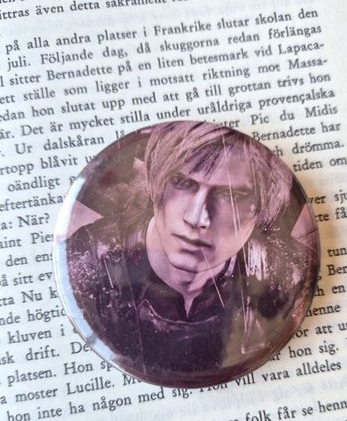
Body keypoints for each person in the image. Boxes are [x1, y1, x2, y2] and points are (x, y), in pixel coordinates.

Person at [63, 121, 318, 387]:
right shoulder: (89, 263)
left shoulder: (284, 275)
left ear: (263, 207)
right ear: (157, 185)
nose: (197, 217)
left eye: (230, 194)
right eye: (182, 183)